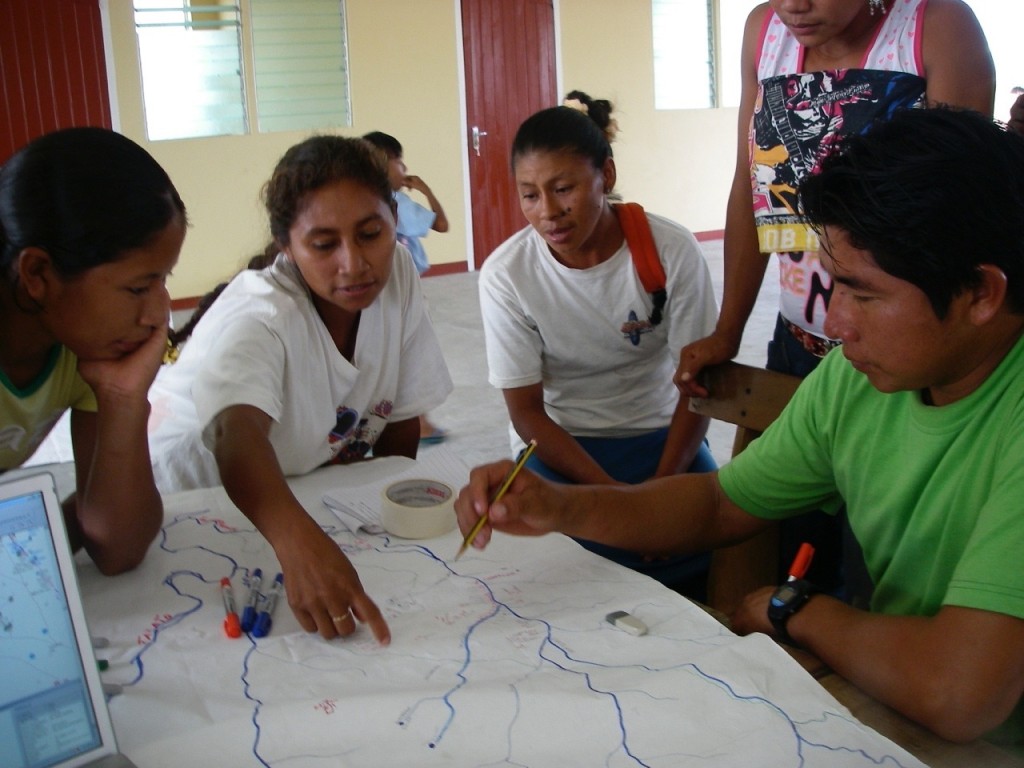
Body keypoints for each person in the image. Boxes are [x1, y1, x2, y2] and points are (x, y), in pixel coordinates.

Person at [456, 107, 1024, 752]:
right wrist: (562, 505)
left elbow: (960, 692)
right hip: (890, 694)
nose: (834, 324)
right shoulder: (859, 379)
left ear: (981, 293)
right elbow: (722, 501)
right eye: (831, 286)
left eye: (863, 295)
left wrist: (797, 610)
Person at [675, 0, 995, 595]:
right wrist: (728, 330)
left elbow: (960, 210)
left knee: (878, 560)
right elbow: (752, 184)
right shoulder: (762, 32)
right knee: (783, 544)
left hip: (902, 359)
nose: (794, 4)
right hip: (798, 341)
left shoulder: (935, 29)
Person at [148, 136, 453, 643]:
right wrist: (298, 543)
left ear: (394, 220)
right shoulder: (263, 314)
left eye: (371, 233)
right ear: (287, 246)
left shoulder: (397, 272)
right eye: (324, 244)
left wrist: (390, 527)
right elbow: (235, 436)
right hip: (196, 500)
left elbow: (399, 419)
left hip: (289, 486)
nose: (354, 264)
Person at [477, 91, 719, 593]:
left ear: (605, 177)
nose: (548, 212)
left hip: (665, 441)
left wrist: (658, 492)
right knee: (576, 579)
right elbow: (527, 414)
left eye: (563, 188)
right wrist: (617, 502)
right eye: (529, 194)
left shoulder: (670, 251)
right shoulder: (507, 275)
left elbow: (700, 387)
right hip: (562, 447)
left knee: (714, 544)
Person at [0, 127, 185, 575]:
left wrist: (123, 400)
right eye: (139, 286)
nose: (158, 314)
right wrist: (59, 522)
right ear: (38, 273)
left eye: (164, 281)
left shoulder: (80, 349)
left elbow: (118, 547)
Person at [361, 130, 450, 444]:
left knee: (387, 353)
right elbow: (442, 224)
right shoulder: (397, 202)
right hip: (401, 290)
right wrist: (425, 189)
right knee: (410, 352)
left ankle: (403, 420)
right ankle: (419, 422)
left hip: (379, 290)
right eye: (400, 162)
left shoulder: (366, 201)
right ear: (384, 164)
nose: (404, 169)